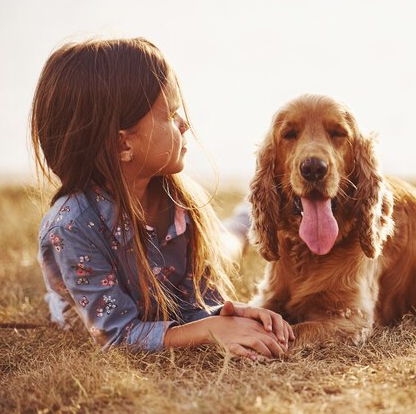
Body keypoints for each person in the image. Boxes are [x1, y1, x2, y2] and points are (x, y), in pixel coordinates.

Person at [31, 37, 294, 359]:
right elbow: (116, 335)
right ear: (122, 145)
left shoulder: (179, 201)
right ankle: (247, 215)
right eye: (170, 115)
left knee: (231, 240)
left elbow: (193, 304)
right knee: (231, 239)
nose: (184, 124)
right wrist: (210, 330)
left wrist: (228, 314)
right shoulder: (71, 229)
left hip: (185, 275)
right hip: (102, 320)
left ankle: (247, 214)